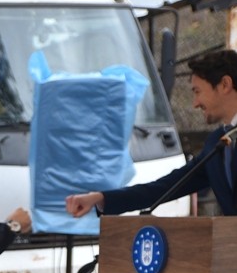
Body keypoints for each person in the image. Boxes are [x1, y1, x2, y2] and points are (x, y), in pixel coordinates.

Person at [66, 48, 237, 218]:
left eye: (197, 91)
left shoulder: (218, 144)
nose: (195, 103)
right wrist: (102, 198)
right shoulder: (216, 144)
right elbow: (164, 188)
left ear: (225, 85)